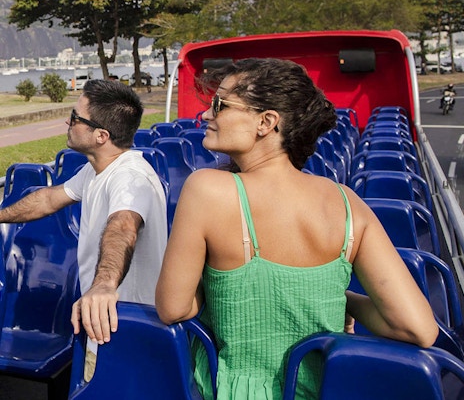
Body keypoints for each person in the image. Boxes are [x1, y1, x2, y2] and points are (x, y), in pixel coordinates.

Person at [155, 58, 438, 400]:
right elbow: (419, 328)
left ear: (266, 122)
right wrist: (345, 300)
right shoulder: (347, 203)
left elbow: (173, 308)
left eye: (220, 104)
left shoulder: (207, 189)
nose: (207, 115)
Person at [0, 79, 167, 353]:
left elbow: (123, 225)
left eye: (76, 118)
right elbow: (48, 199)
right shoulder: (96, 169)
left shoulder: (129, 177)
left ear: (101, 135)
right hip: (104, 320)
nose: (69, 122)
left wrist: (103, 286)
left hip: (122, 324)